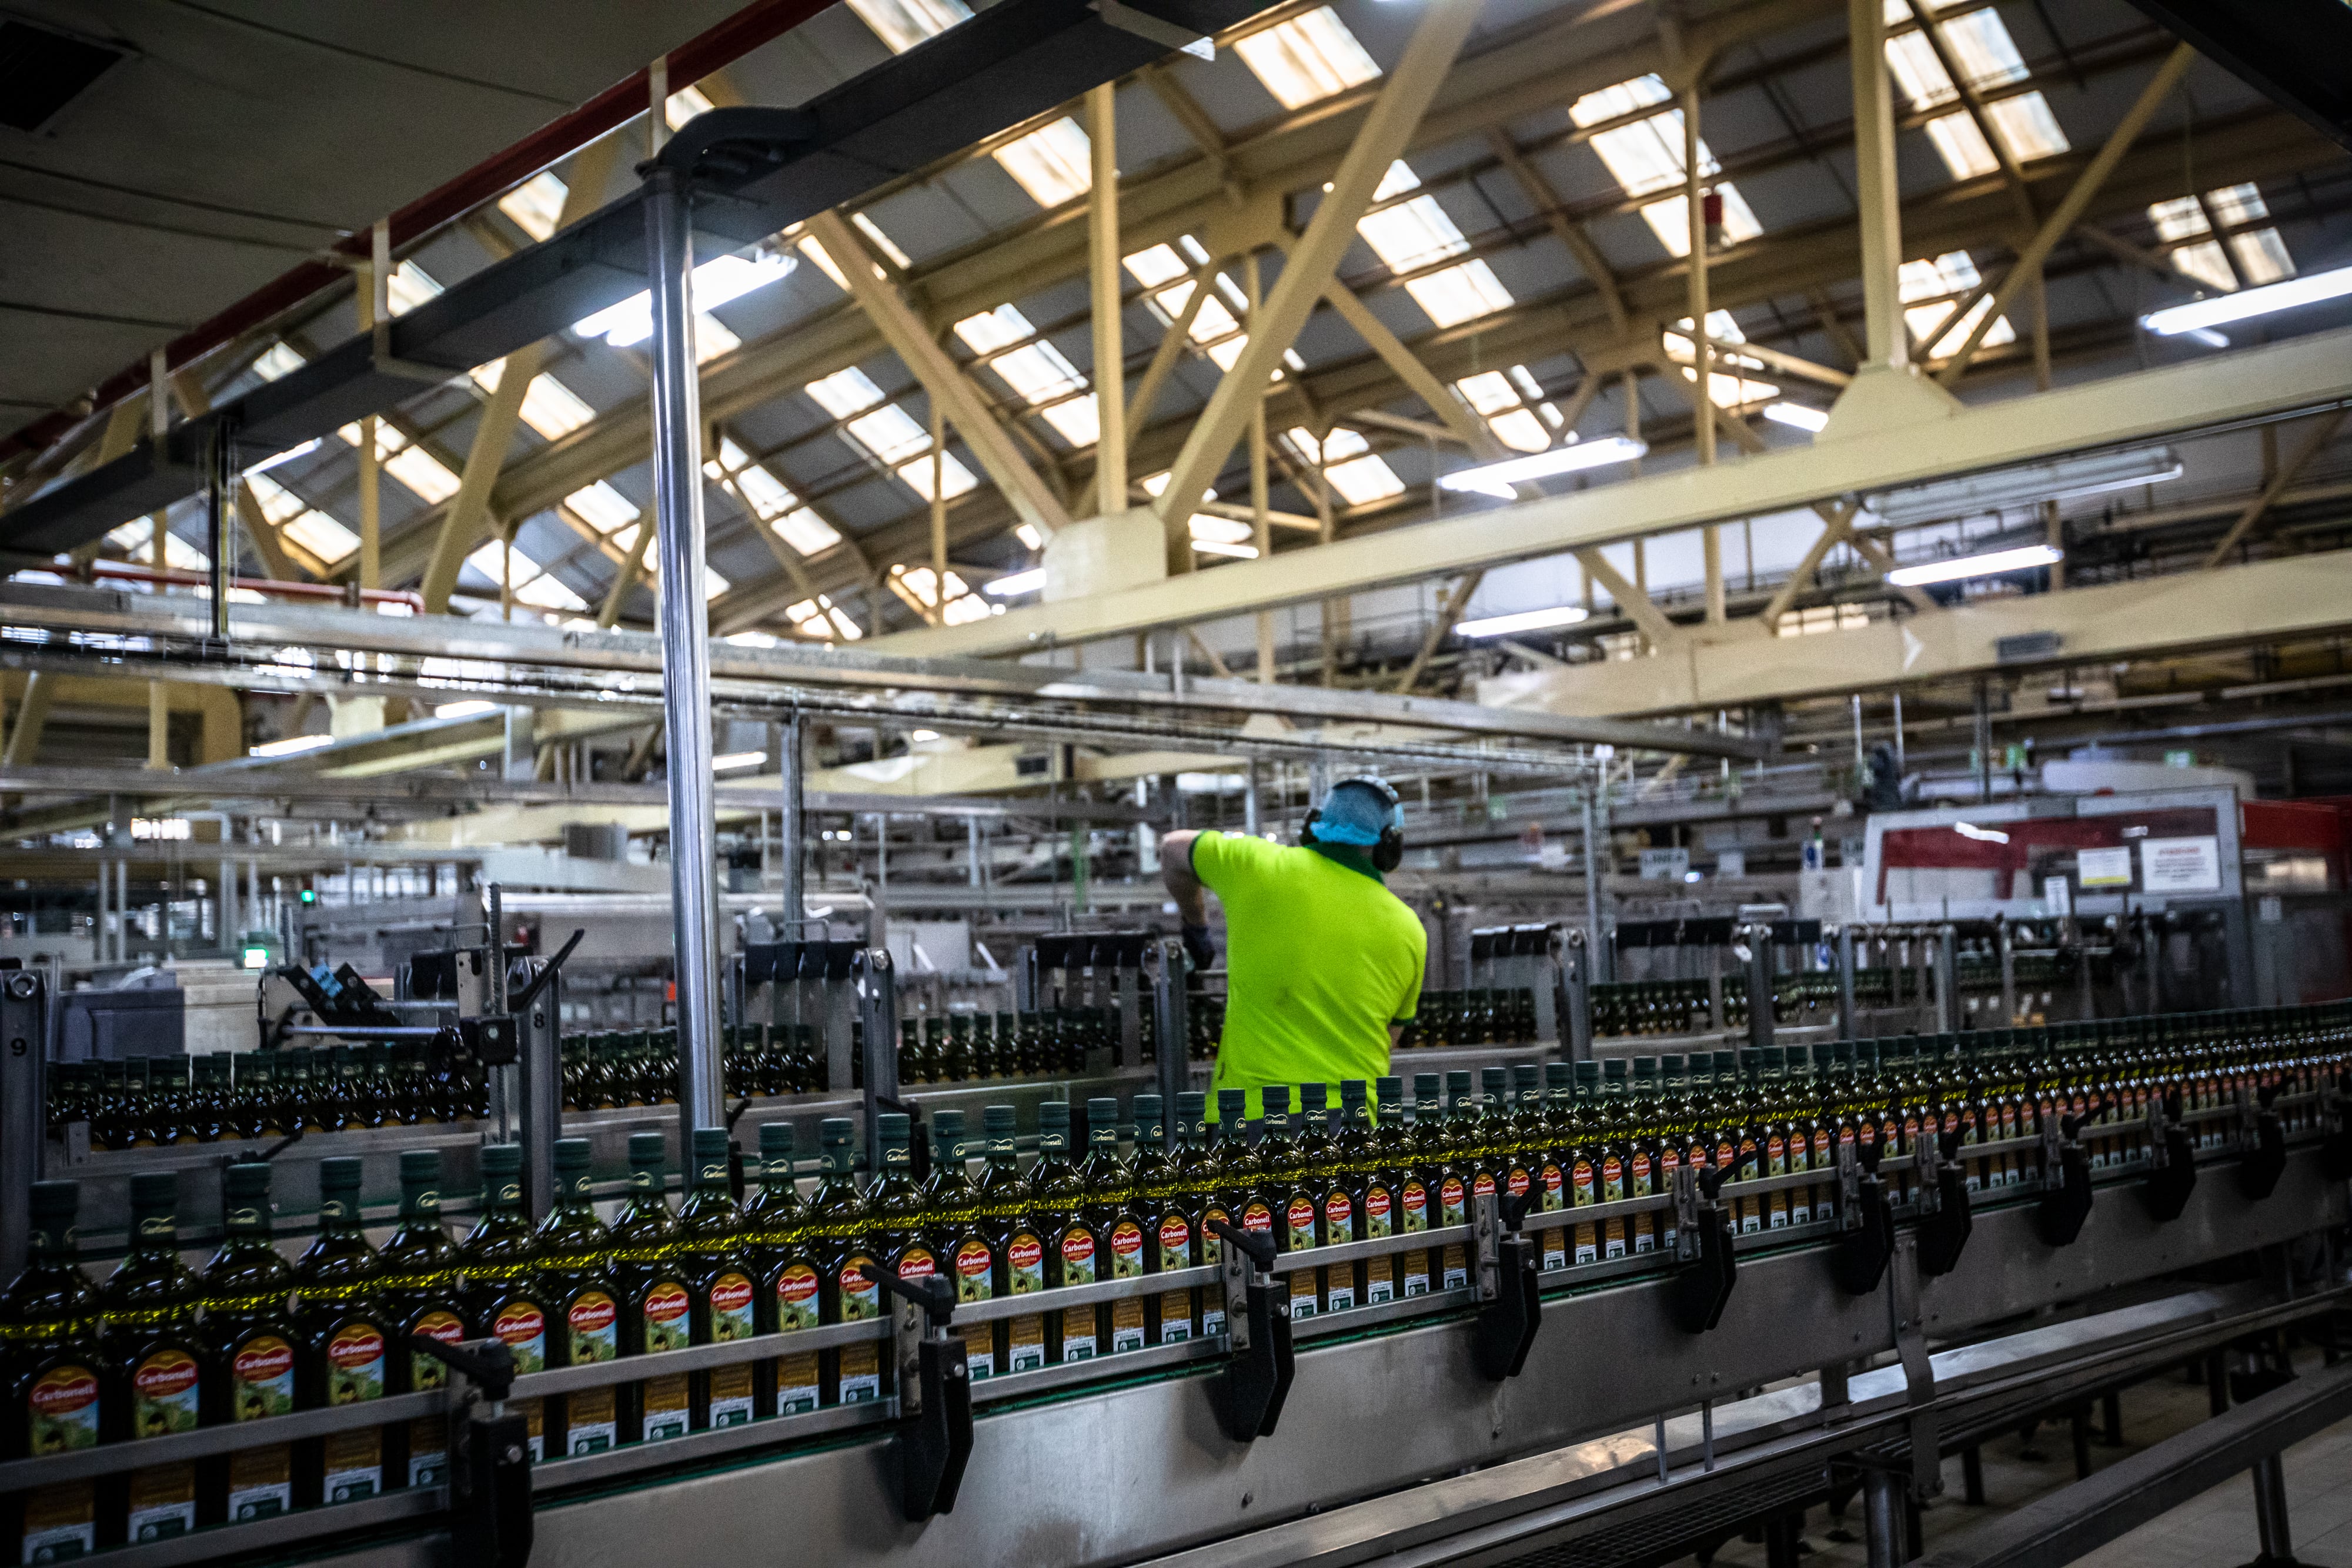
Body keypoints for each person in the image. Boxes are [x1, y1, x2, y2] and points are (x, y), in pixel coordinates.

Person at [1160, 776, 1428, 1122]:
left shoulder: (1259, 865)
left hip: (1249, 1118)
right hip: (1351, 1125)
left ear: (1314, 824)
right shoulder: (1410, 929)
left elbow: (1171, 848)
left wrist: (1196, 926)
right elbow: (1390, 1037)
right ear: (1390, 846)